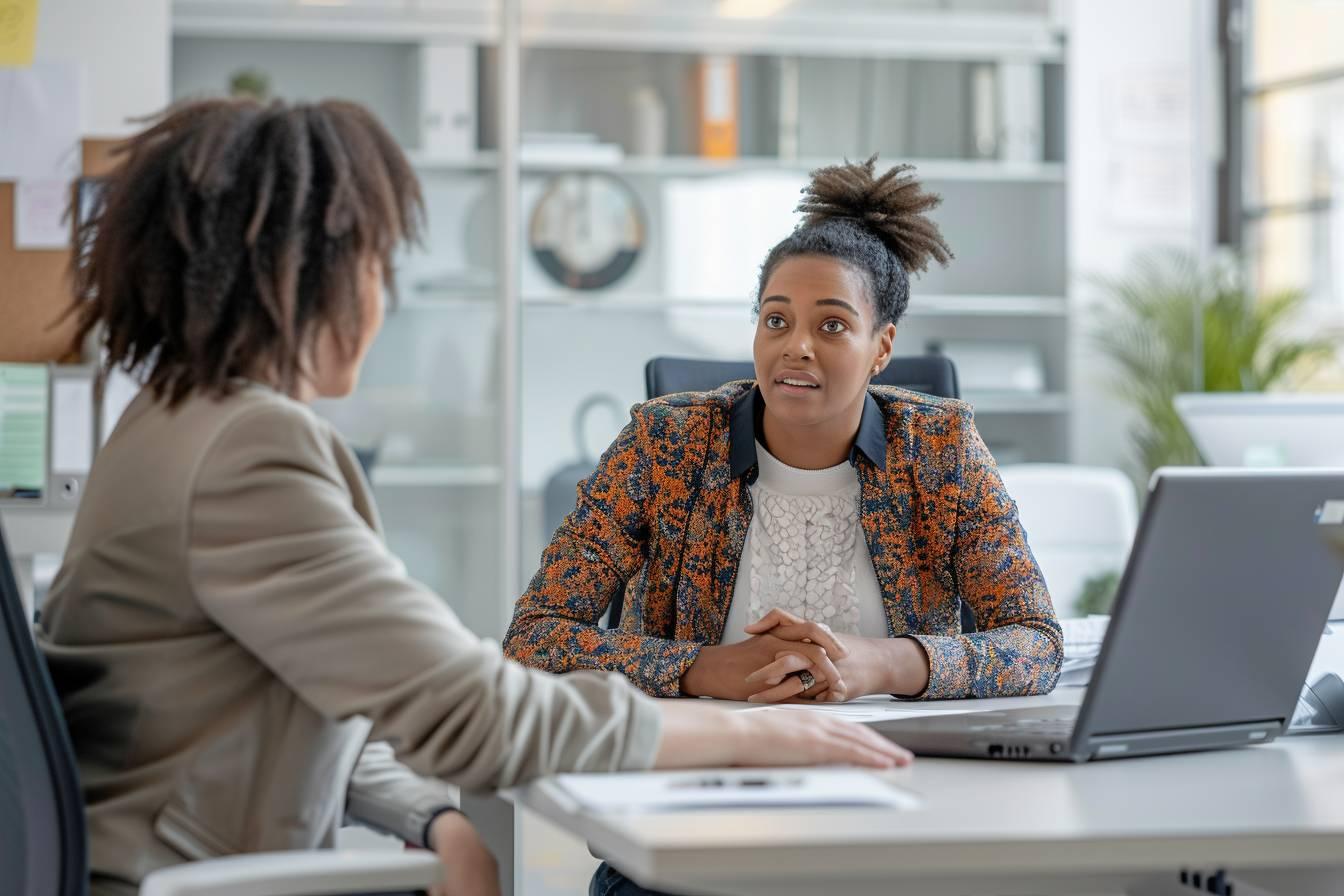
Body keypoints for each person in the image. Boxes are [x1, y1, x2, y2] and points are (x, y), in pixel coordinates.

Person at [36, 99, 910, 896]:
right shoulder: (247, 450)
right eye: (377, 263)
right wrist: (763, 737)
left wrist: (433, 818)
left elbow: (326, 691)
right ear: (308, 276)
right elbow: (479, 712)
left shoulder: (171, 420)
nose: (384, 297)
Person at [505, 156, 1062, 706]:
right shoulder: (664, 445)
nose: (796, 345)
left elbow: (1036, 643)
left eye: (832, 325)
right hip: (699, 761)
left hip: (896, 763)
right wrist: (699, 669)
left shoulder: (942, 451)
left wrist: (884, 663)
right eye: (776, 320)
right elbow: (532, 637)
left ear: (882, 348)